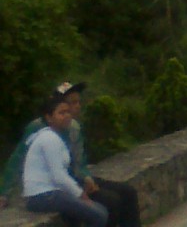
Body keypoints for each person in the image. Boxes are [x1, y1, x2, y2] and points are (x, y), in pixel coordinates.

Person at [1, 82, 140, 227]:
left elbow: (80, 160)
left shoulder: (74, 127)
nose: (77, 107)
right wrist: (4, 193)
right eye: (72, 103)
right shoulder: (40, 129)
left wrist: (86, 177)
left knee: (128, 192)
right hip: (60, 185)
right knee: (110, 202)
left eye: (78, 102)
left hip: (77, 178)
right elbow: (17, 160)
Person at [21, 94, 108, 227]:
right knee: (98, 214)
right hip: (42, 196)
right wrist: (81, 195)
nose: (67, 116)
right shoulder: (49, 138)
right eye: (61, 113)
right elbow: (59, 176)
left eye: (68, 112)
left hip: (51, 193)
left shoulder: (55, 137)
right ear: (49, 117)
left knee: (99, 210)